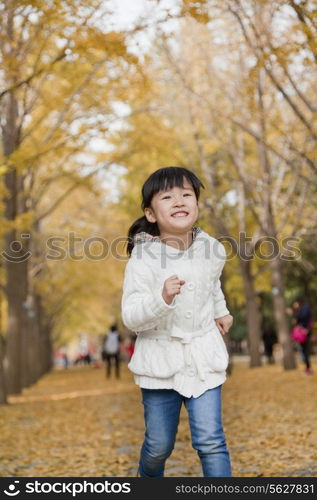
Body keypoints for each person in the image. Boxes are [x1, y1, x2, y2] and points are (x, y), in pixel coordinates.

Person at [121, 166, 233, 477]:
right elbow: (131, 317)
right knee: (159, 446)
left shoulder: (212, 249)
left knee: (211, 441)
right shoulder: (142, 259)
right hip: (160, 363)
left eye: (186, 194)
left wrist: (219, 311)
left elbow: (212, 283)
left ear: (197, 204)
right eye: (167, 197)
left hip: (201, 356)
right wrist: (162, 299)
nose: (179, 201)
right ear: (151, 214)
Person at [291, 297, 314, 375]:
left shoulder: (305, 308)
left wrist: (293, 313)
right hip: (304, 332)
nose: (294, 305)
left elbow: (304, 318)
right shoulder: (302, 309)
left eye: (295, 303)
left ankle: (308, 368)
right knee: (304, 350)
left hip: (305, 332)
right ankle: (308, 368)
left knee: (305, 350)